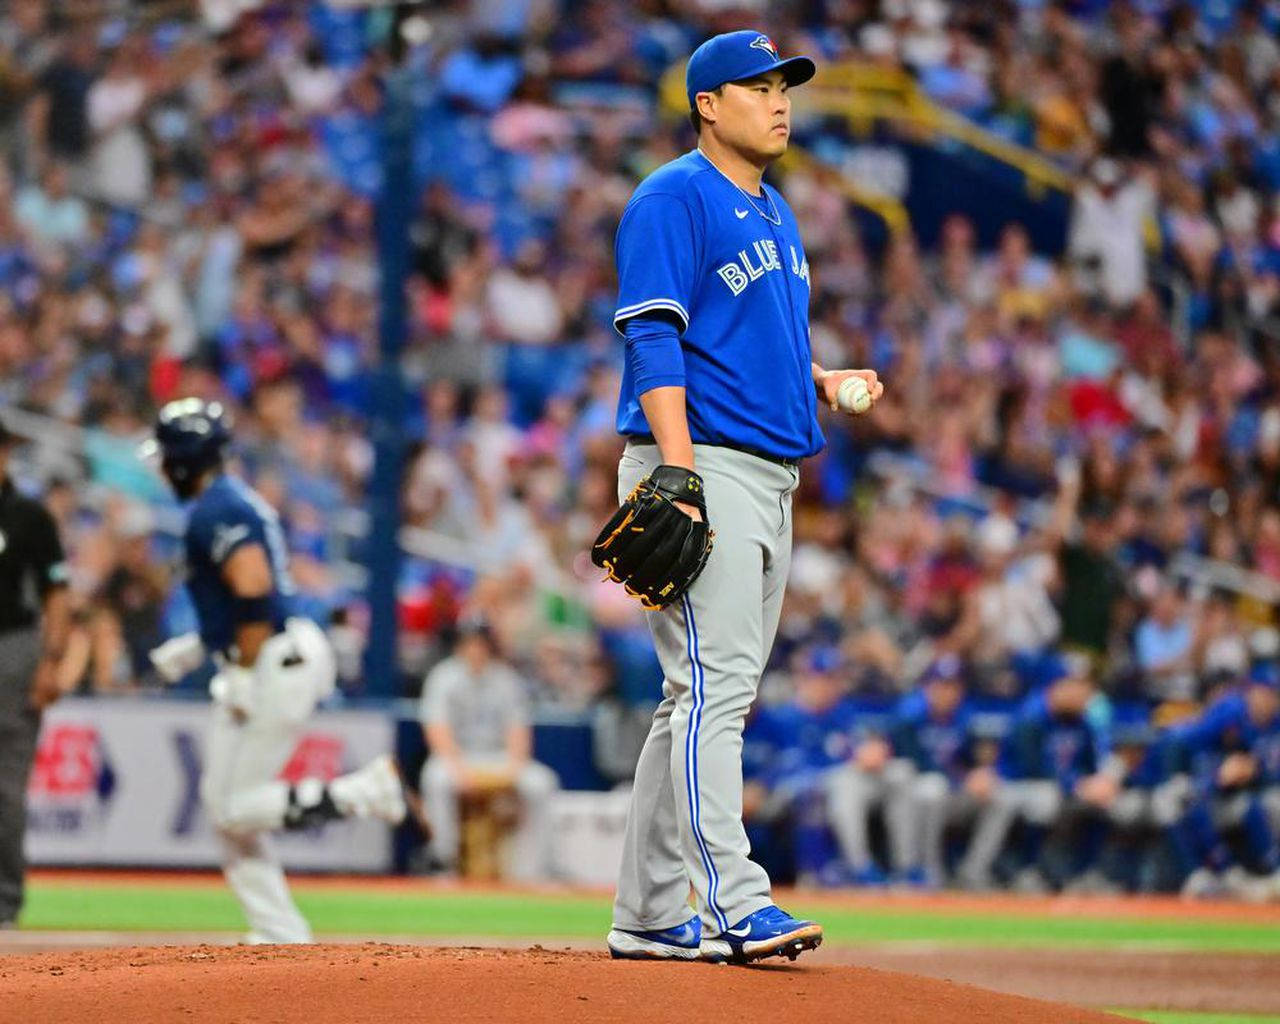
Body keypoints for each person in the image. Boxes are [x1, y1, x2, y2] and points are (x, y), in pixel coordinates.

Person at [601, 30, 884, 964]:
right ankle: (735, 899)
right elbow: (653, 338)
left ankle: (647, 913)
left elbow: (745, 341)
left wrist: (820, 378)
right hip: (701, 467)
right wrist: (676, 472)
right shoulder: (671, 197)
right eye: (754, 85)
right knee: (711, 693)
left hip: (769, 472)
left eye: (783, 85)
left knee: (701, 699)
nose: (778, 99)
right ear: (706, 105)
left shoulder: (774, 213)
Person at [145, 398, 406, 944]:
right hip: (270, 651)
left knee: (235, 807)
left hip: (272, 659)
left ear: (184, 460)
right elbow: (242, 599)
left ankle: (363, 792)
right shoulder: (226, 500)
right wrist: (198, 646)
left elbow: (255, 589)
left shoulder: (218, 508)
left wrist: (239, 670)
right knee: (224, 808)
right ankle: (278, 929)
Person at [417, 616, 559, 880]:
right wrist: (458, 770)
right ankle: (443, 862)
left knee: (541, 783)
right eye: (470, 643)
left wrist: (514, 769)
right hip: (457, 758)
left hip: (498, 758)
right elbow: (437, 732)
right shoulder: (443, 677)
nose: (475, 649)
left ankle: (532, 872)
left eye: (480, 643)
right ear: (459, 645)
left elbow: (518, 732)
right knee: (436, 778)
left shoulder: (506, 679)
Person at [0, 419, 70, 926]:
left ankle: (4, 901)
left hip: (12, 649)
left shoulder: (29, 518)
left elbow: (57, 594)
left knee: (5, 786)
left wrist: (51, 660)